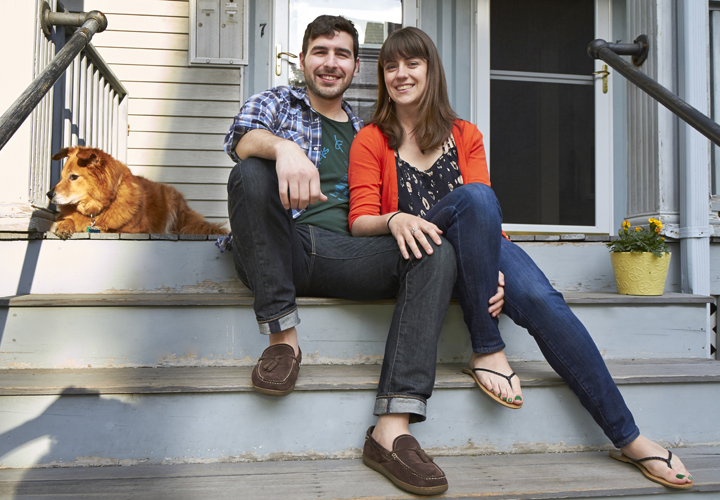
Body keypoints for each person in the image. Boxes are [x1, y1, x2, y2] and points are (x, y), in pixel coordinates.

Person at [348, 26, 694, 493]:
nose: (400, 74)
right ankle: (487, 346)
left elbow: (484, 215)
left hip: (478, 245)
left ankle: (630, 438)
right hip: (423, 258)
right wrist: (395, 219)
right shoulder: (371, 139)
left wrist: (488, 267)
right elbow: (360, 220)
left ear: (431, 71)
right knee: (474, 196)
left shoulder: (465, 134)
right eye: (390, 66)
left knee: (541, 298)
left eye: (412, 63)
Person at [224, 16, 503, 496]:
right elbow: (241, 139)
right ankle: (283, 340)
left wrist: (482, 265)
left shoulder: (368, 130)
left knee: (433, 251)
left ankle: (392, 429)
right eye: (320, 51)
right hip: (281, 246)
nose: (330, 63)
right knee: (251, 172)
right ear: (302, 59)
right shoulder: (277, 102)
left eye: (342, 54)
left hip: (347, 254)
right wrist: (285, 149)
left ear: (356, 67)